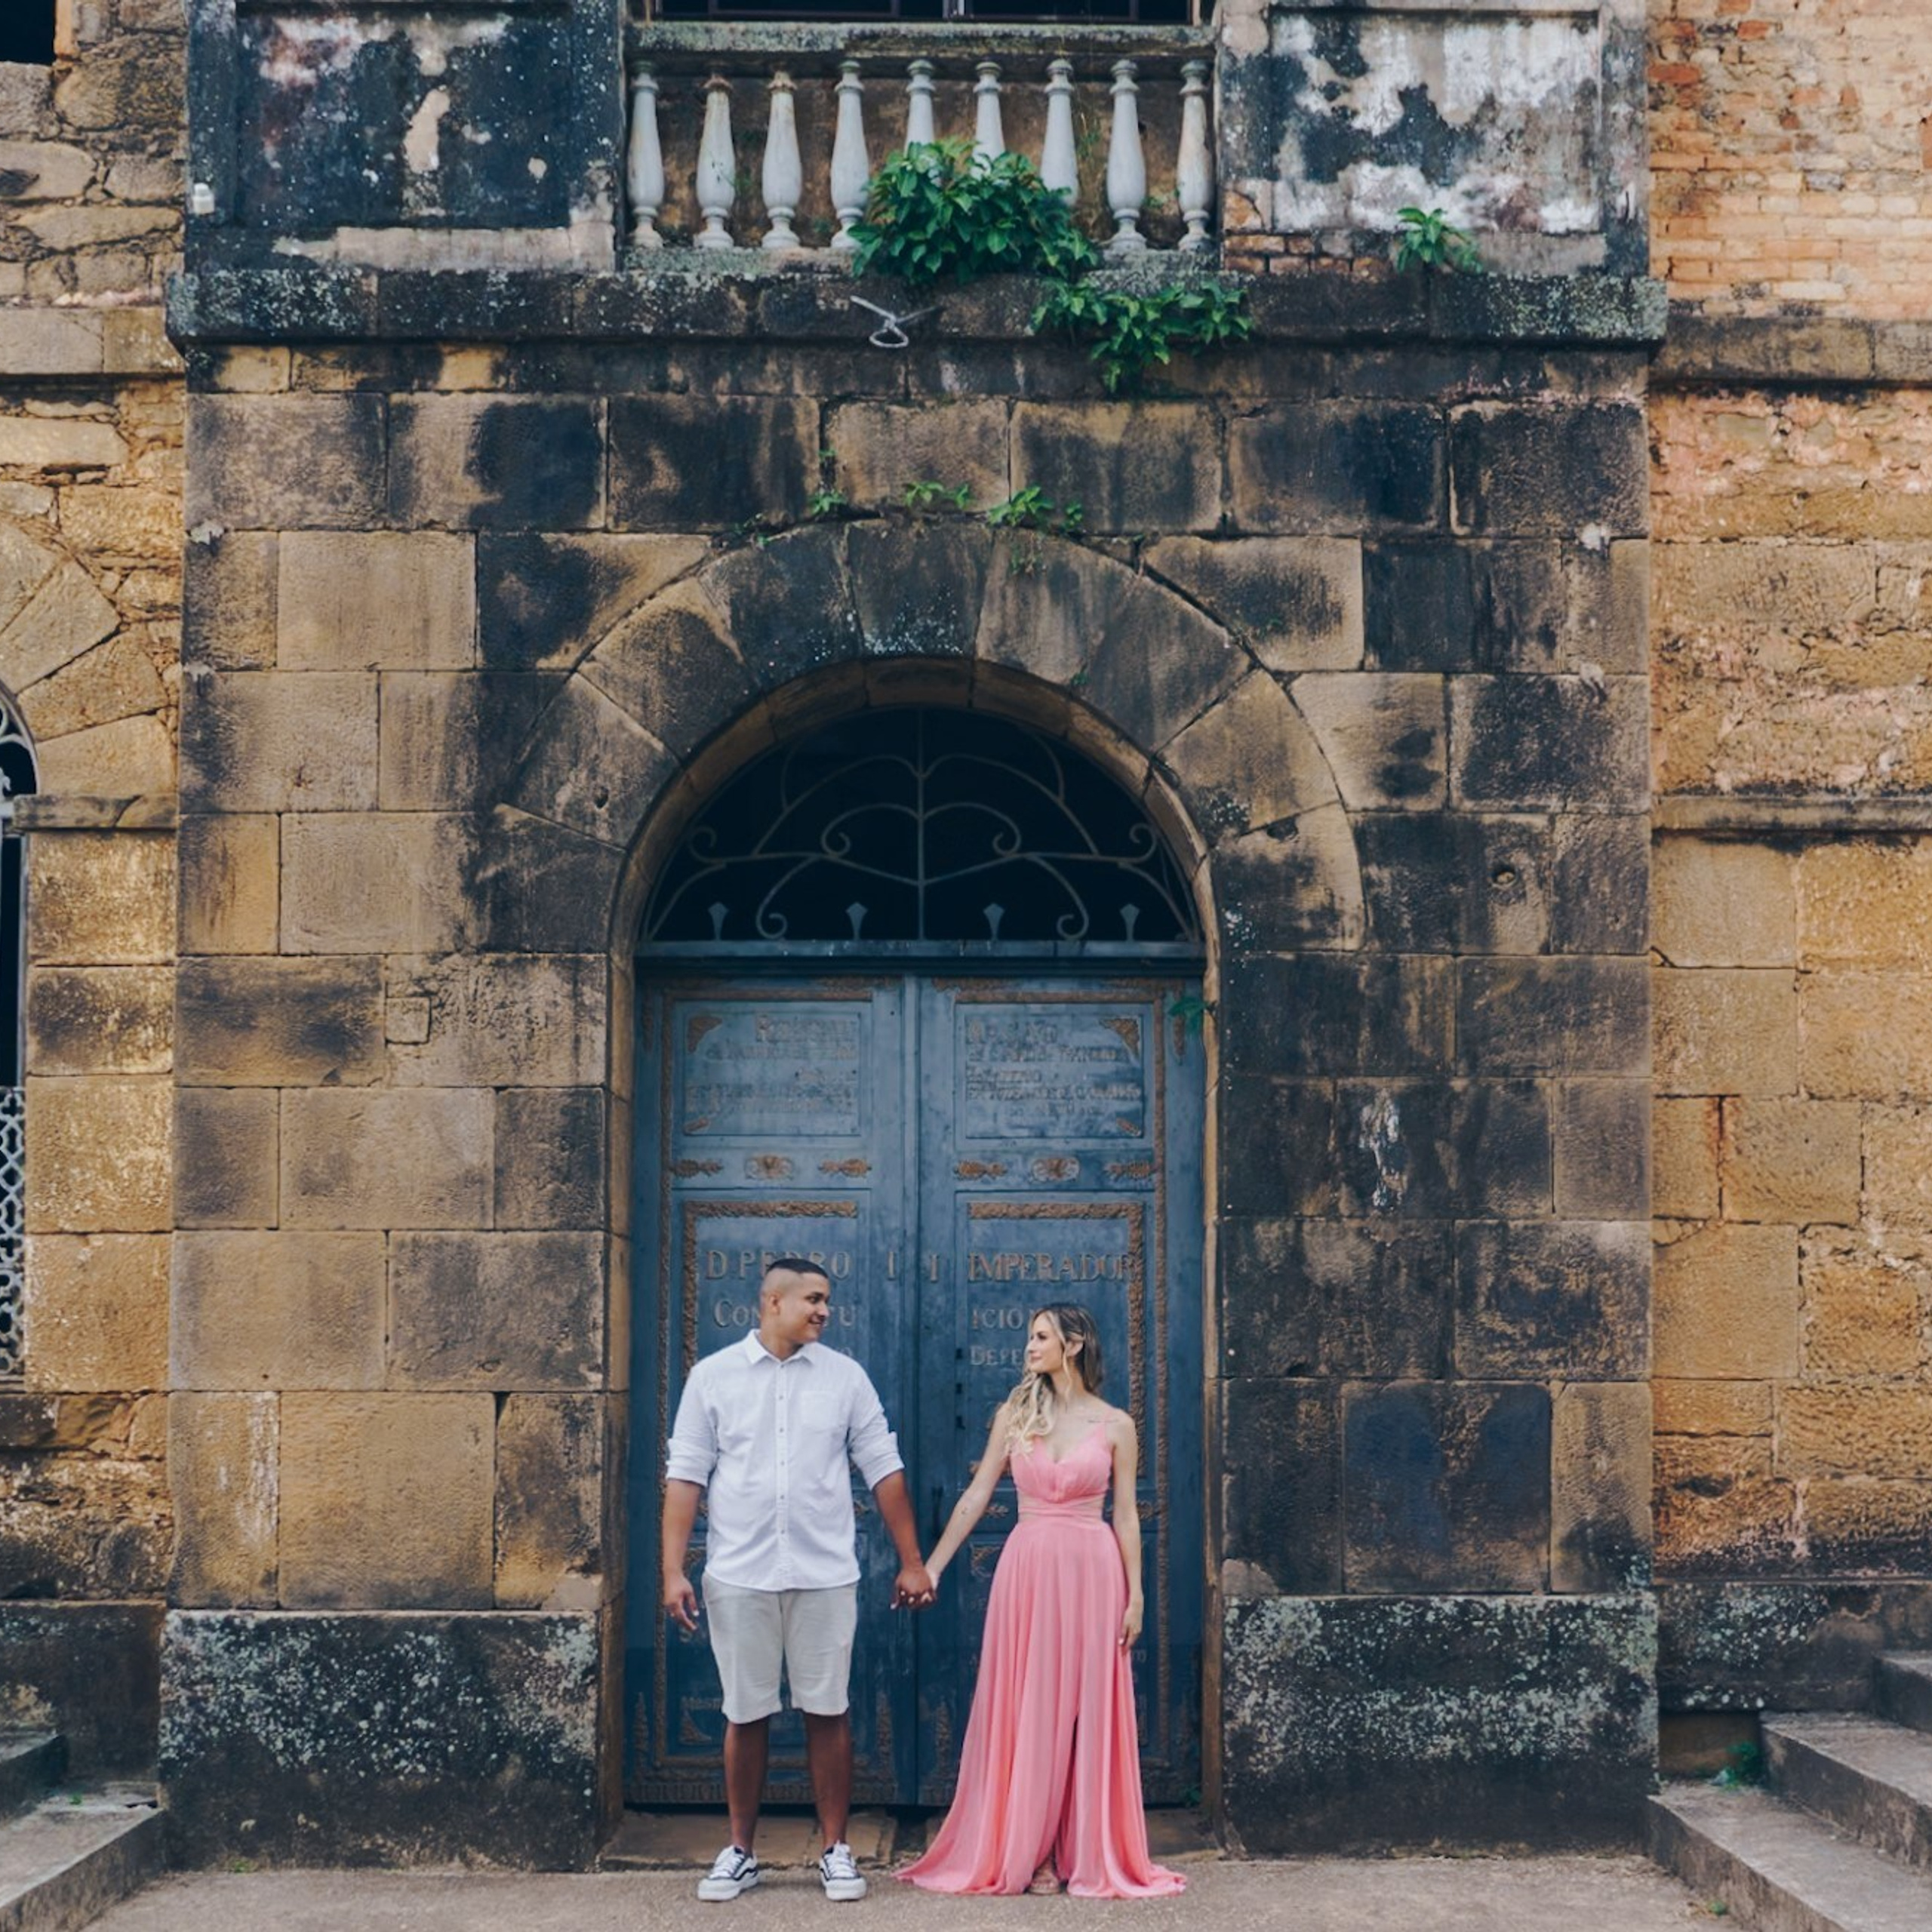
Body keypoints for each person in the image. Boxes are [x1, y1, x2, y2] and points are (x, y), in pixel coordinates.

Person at [663, 1257, 934, 1904]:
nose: (823, 1311)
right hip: (740, 1573)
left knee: (827, 1709)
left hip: (823, 1574)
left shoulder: (845, 1379)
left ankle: (836, 1851)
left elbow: (883, 1467)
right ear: (773, 1301)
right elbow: (686, 1476)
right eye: (813, 1299)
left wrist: (912, 1559)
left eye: (827, 1302)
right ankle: (741, 1851)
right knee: (744, 1712)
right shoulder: (713, 1379)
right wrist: (673, 1570)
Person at [899, 1303, 1186, 1899]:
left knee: (1082, 1709)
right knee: (1029, 1706)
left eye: (1040, 1337)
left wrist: (1136, 1598)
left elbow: (1126, 1516)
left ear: (1073, 1344)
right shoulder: (1015, 1414)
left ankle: (1074, 1852)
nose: (1029, 1347)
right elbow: (976, 1498)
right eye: (1030, 1337)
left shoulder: (1115, 1425)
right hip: (1027, 1570)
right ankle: (1025, 1851)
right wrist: (932, 1567)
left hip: (1092, 1571)